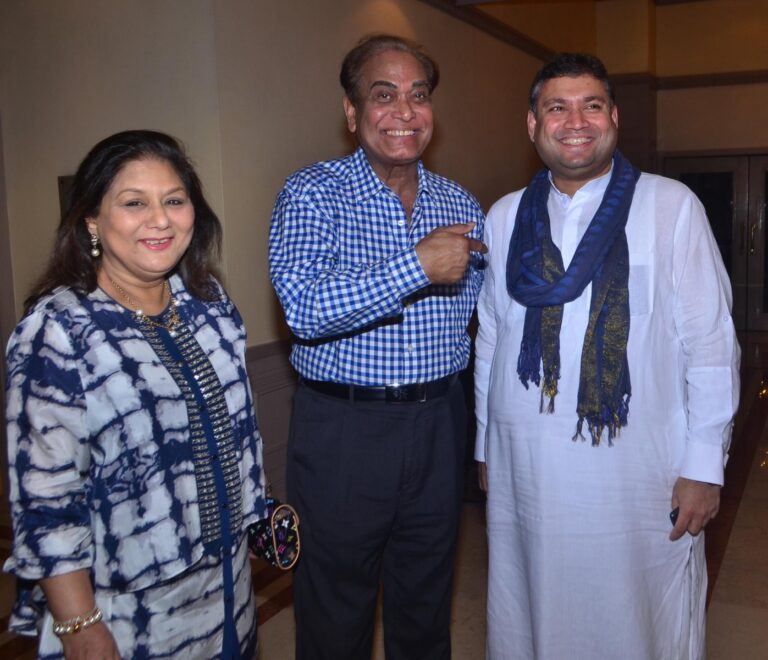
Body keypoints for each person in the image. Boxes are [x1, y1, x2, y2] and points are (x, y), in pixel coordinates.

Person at [474, 53, 740, 660]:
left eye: (592, 105)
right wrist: (486, 443)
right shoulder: (505, 215)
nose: (576, 121)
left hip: (638, 477)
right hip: (526, 472)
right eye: (557, 107)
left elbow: (711, 343)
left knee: (638, 620)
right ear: (532, 124)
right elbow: (491, 337)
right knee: (529, 608)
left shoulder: (670, 206)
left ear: (614, 117)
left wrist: (704, 465)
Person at [4, 130, 267, 659]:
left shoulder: (210, 306)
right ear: (92, 221)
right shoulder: (58, 331)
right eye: (133, 203)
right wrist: (80, 626)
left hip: (227, 591)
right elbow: (46, 501)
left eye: (174, 199)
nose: (160, 219)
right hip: (127, 615)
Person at [269, 34, 486, 660]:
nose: (405, 112)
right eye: (383, 95)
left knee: (426, 603)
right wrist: (415, 267)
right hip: (344, 428)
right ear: (351, 111)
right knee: (336, 610)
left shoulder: (459, 203)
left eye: (418, 96)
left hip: (440, 420)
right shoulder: (312, 194)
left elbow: (475, 320)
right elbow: (304, 310)